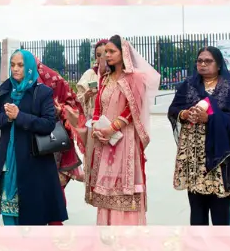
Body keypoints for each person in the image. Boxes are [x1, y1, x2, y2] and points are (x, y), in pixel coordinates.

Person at [81, 35, 160, 225]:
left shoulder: (135, 78)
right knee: (105, 188)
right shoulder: (105, 79)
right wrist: (97, 127)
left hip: (124, 140)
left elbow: (134, 108)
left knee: (124, 186)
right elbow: (98, 105)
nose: (107, 55)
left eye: (111, 51)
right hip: (104, 141)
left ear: (123, 53)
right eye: (105, 52)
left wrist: (112, 128)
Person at [0, 50, 67, 226]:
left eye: (20, 65)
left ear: (29, 67)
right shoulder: (6, 89)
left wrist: (19, 116)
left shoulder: (42, 92)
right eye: (13, 65)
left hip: (33, 163)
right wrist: (7, 118)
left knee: (32, 214)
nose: (15, 69)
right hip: (8, 161)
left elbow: (48, 124)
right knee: (8, 210)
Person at [169, 46, 230, 225]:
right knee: (197, 208)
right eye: (199, 61)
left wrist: (209, 118)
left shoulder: (229, 88)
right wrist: (184, 114)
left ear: (218, 65)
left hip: (220, 157)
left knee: (220, 210)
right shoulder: (189, 85)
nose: (202, 64)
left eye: (208, 61)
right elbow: (174, 109)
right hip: (194, 157)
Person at [33, 56, 86, 194]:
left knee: (52, 185)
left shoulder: (53, 79)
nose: (16, 69)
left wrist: (59, 110)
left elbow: (73, 106)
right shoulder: (18, 83)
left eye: (21, 64)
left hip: (52, 139)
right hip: (31, 140)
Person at [76, 40, 107, 111]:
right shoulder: (89, 74)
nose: (102, 58)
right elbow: (78, 99)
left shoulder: (115, 74)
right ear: (96, 56)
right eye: (99, 55)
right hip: (93, 117)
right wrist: (86, 96)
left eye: (104, 54)